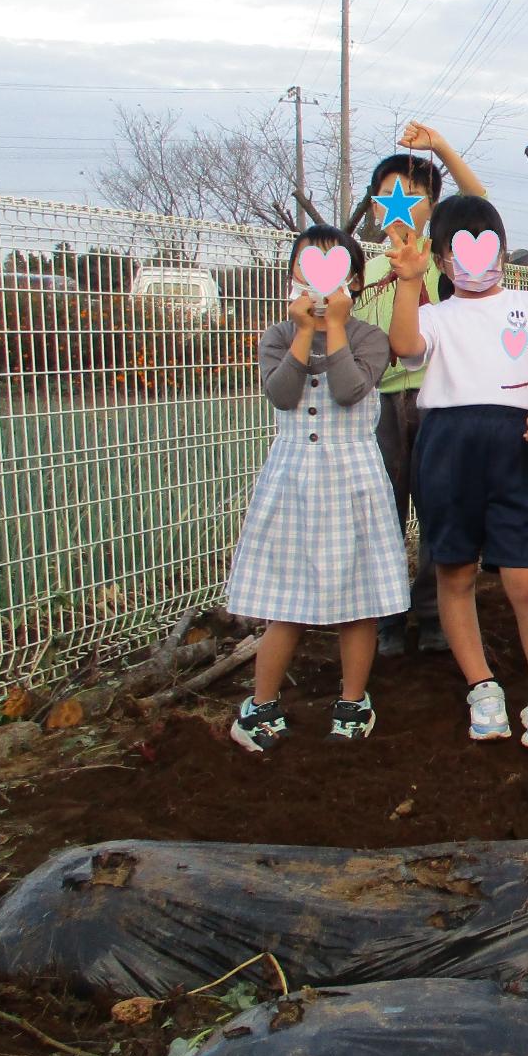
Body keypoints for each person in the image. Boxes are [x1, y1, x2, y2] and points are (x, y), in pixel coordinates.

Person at [386, 195, 528, 752]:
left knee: (525, 578)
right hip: (445, 449)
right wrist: (407, 282)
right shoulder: (434, 315)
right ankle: (483, 687)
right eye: (458, 252)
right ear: (443, 261)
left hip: (514, 449)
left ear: (501, 249)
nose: (473, 262)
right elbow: (404, 348)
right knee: (454, 571)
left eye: (485, 245)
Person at [227, 225, 408, 752]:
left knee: (359, 599)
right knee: (287, 600)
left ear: (353, 280)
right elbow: (282, 395)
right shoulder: (279, 335)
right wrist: (306, 333)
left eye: (334, 271)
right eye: (308, 269)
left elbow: (351, 390)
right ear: (291, 276)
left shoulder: (370, 338)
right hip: (293, 480)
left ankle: (352, 700)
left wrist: (336, 330)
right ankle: (260, 706)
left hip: (352, 478)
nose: (319, 284)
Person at [353, 124, 488, 661]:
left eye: (413, 195)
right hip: (380, 404)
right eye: (388, 196)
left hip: (439, 400)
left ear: (433, 205)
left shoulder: (448, 260)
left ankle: (433, 613)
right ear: (374, 208)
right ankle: (388, 616)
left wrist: (441, 148)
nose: (401, 205)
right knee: (385, 510)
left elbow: (477, 201)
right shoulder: (365, 271)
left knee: (439, 506)